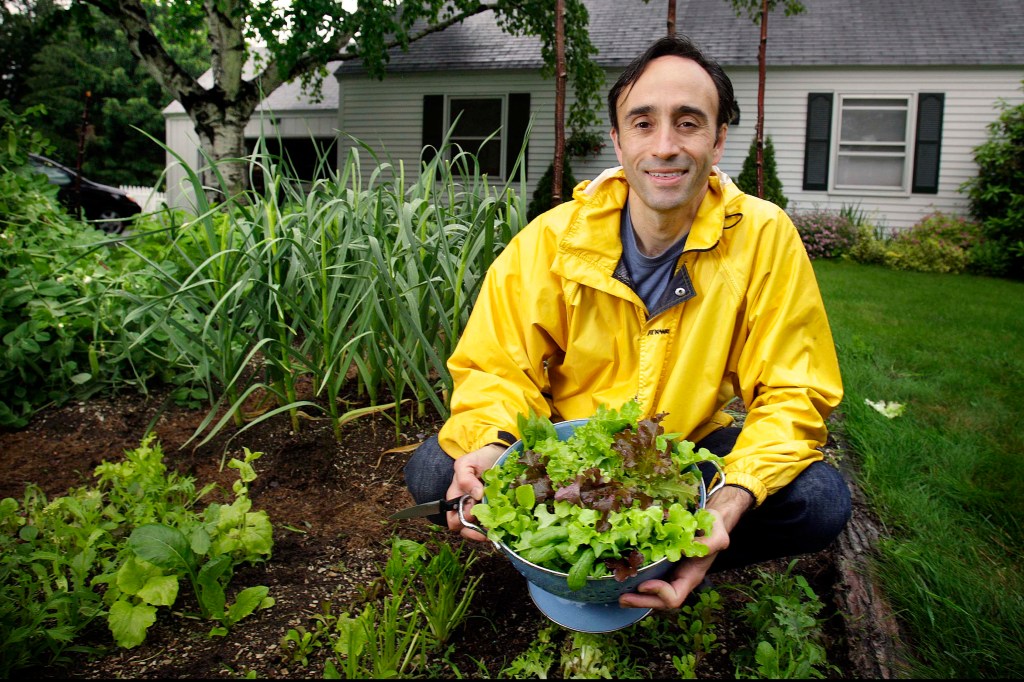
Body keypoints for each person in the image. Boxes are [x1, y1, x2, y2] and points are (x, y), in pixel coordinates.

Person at [403, 34, 851, 611]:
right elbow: (496, 367)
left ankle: (670, 555)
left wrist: (730, 498)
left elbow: (794, 390)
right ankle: (566, 557)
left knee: (817, 499)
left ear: (717, 140)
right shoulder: (552, 238)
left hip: (679, 444)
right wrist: (493, 449)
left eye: (688, 123)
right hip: (568, 440)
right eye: (643, 123)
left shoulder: (762, 237)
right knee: (434, 473)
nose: (664, 145)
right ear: (618, 139)